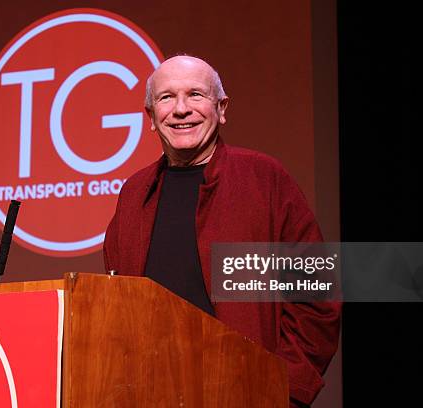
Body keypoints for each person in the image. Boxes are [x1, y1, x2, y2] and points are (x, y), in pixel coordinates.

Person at [103, 55, 340, 407]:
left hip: (248, 394)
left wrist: (284, 388)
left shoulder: (264, 178)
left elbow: (317, 292)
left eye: (196, 95)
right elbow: (113, 305)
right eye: (166, 98)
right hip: (149, 394)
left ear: (222, 108)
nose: (181, 109)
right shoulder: (135, 193)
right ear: (151, 117)